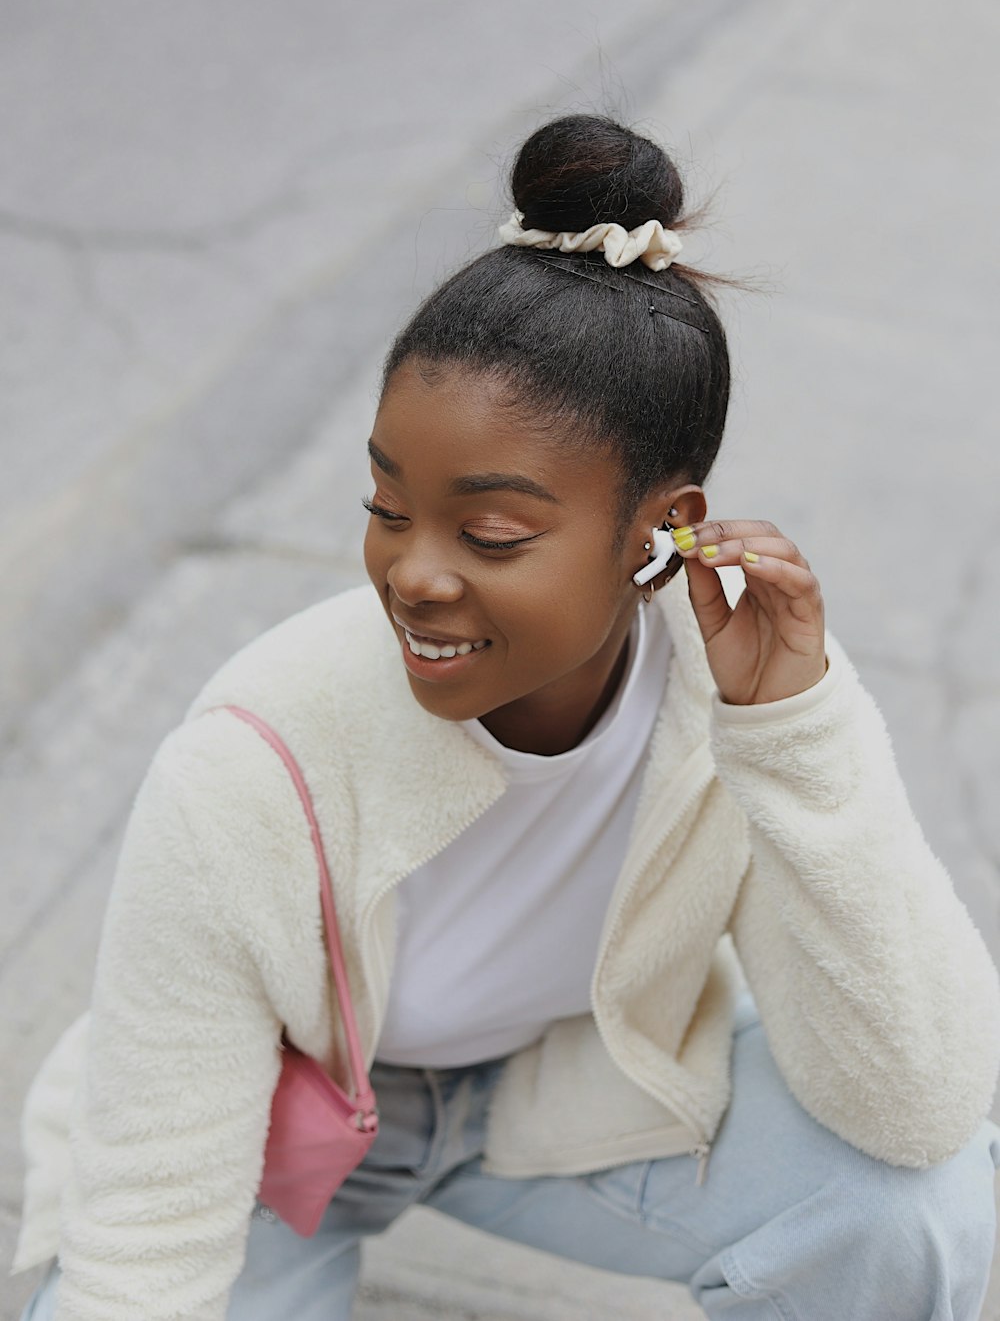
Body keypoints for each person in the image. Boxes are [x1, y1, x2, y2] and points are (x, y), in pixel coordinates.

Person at [14, 114, 1000, 1321]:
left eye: (491, 535)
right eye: (387, 506)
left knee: (910, 1206)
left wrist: (793, 734)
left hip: (572, 1096)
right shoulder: (256, 758)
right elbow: (148, 1230)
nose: (415, 576)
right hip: (269, 1132)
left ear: (662, 530)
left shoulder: (731, 693)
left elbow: (919, 1103)